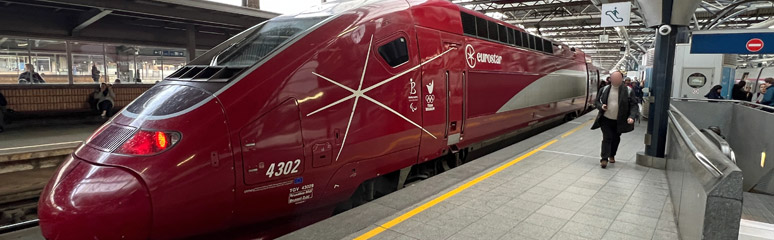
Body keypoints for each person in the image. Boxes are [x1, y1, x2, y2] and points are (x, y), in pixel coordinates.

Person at [591, 71, 638, 169]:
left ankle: (612, 154)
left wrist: (631, 116)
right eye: (613, 78)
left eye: (618, 78)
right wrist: (601, 106)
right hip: (606, 119)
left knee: (616, 138)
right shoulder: (604, 89)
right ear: (610, 79)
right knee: (607, 137)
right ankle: (604, 159)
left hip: (619, 120)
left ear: (622, 79)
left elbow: (634, 105)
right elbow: (597, 102)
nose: (615, 80)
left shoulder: (628, 91)